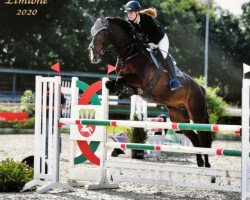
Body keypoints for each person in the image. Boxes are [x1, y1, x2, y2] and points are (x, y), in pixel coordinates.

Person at [124, 1, 182, 91]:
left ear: (137, 12)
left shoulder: (146, 18)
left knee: (163, 54)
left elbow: (155, 34)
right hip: (148, 40)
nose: (129, 15)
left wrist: (152, 43)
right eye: (128, 13)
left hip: (160, 38)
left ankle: (174, 80)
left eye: (131, 12)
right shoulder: (131, 22)